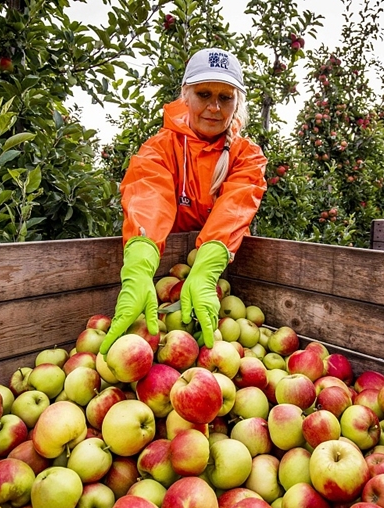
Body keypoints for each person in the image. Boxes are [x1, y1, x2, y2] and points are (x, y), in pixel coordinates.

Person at [99, 48, 268, 355]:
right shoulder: (160, 148)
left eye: (225, 97)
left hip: (221, 277)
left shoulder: (246, 155)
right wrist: (139, 265)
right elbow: (149, 195)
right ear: (185, 96)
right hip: (165, 274)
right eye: (204, 94)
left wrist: (207, 269)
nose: (214, 108)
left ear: (237, 103)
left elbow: (236, 204)